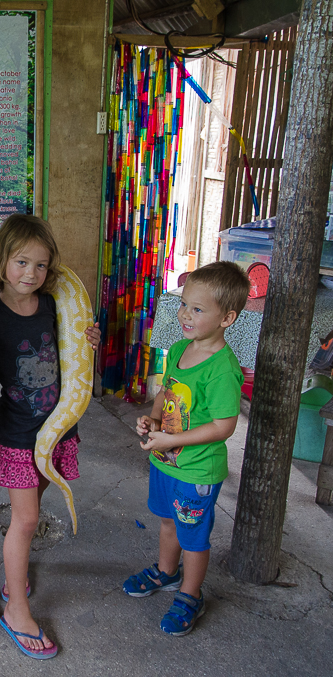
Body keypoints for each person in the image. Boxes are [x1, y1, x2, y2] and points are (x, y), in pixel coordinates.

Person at [0, 214, 100, 660]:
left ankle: (14, 571)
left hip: (58, 426)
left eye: (41, 266)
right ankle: (16, 610)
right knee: (24, 520)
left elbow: (73, 350)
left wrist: (90, 339)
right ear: (2, 260)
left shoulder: (51, 304)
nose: (31, 274)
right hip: (20, 432)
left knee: (35, 504)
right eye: (22, 262)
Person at [127, 261, 250, 636]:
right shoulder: (180, 347)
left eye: (197, 309)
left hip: (196, 472)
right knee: (167, 521)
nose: (184, 314)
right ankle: (166, 572)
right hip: (165, 460)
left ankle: (190, 594)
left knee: (193, 537)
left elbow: (224, 425)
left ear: (227, 318)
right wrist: (152, 420)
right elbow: (166, 393)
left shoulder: (223, 369)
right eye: (184, 304)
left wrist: (172, 439)